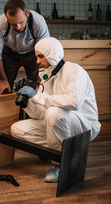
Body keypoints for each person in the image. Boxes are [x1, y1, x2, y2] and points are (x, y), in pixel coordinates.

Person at [10, 37, 101, 182]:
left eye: (41, 56)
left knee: (54, 112)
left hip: (84, 124)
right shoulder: (46, 77)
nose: (37, 61)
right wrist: (28, 101)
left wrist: (38, 96)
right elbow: (40, 115)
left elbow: (74, 102)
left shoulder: (73, 70)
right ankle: (69, 151)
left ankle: (59, 164)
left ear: (52, 54)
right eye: (36, 57)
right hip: (61, 122)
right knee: (17, 129)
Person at [0, 0, 50, 95]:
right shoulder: (0, 25)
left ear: (27, 13)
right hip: (9, 54)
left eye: (21, 22)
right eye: (13, 24)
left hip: (33, 54)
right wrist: (3, 79)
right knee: (3, 90)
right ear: (6, 18)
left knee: (37, 90)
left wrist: (38, 83)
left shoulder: (38, 23)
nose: (18, 27)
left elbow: (44, 52)